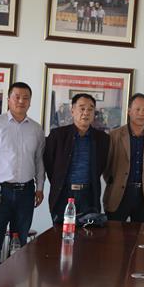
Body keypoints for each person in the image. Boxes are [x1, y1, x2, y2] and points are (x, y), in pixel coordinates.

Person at [0, 82, 45, 272]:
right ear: (8, 99)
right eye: (17, 97)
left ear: (30, 102)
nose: (21, 101)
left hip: (26, 191)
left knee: (20, 241)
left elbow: (39, 160)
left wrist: (40, 187)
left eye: (26, 98)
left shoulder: (36, 129)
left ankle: (14, 283)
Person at [44, 93, 109, 222]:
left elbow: (101, 166)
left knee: (88, 232)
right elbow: (49, 164)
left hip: (88, 195)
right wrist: (60, 182)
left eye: (90, 109)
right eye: (82, 108)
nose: (86, 112)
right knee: (61, 232)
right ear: (72, 110)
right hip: (63, 194)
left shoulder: (102, 138)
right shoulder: (58, 135)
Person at [103, 93, 144, 222]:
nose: (141, 113)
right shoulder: (114, 135)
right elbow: (107, 166)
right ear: (129, 111)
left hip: (143, 195)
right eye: (137, 109)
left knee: (142, 234)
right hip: (118, 193)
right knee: (113, 233)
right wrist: (114, 181)